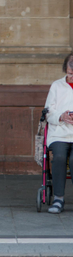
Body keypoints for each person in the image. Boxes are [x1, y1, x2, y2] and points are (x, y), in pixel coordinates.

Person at [44, 54, 73, 214]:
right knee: (60, 157)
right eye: (69, 73)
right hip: (59, 133)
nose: (71, 77)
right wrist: (61, 116)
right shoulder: (57, 86)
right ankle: (58, 199)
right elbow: (48, 113)